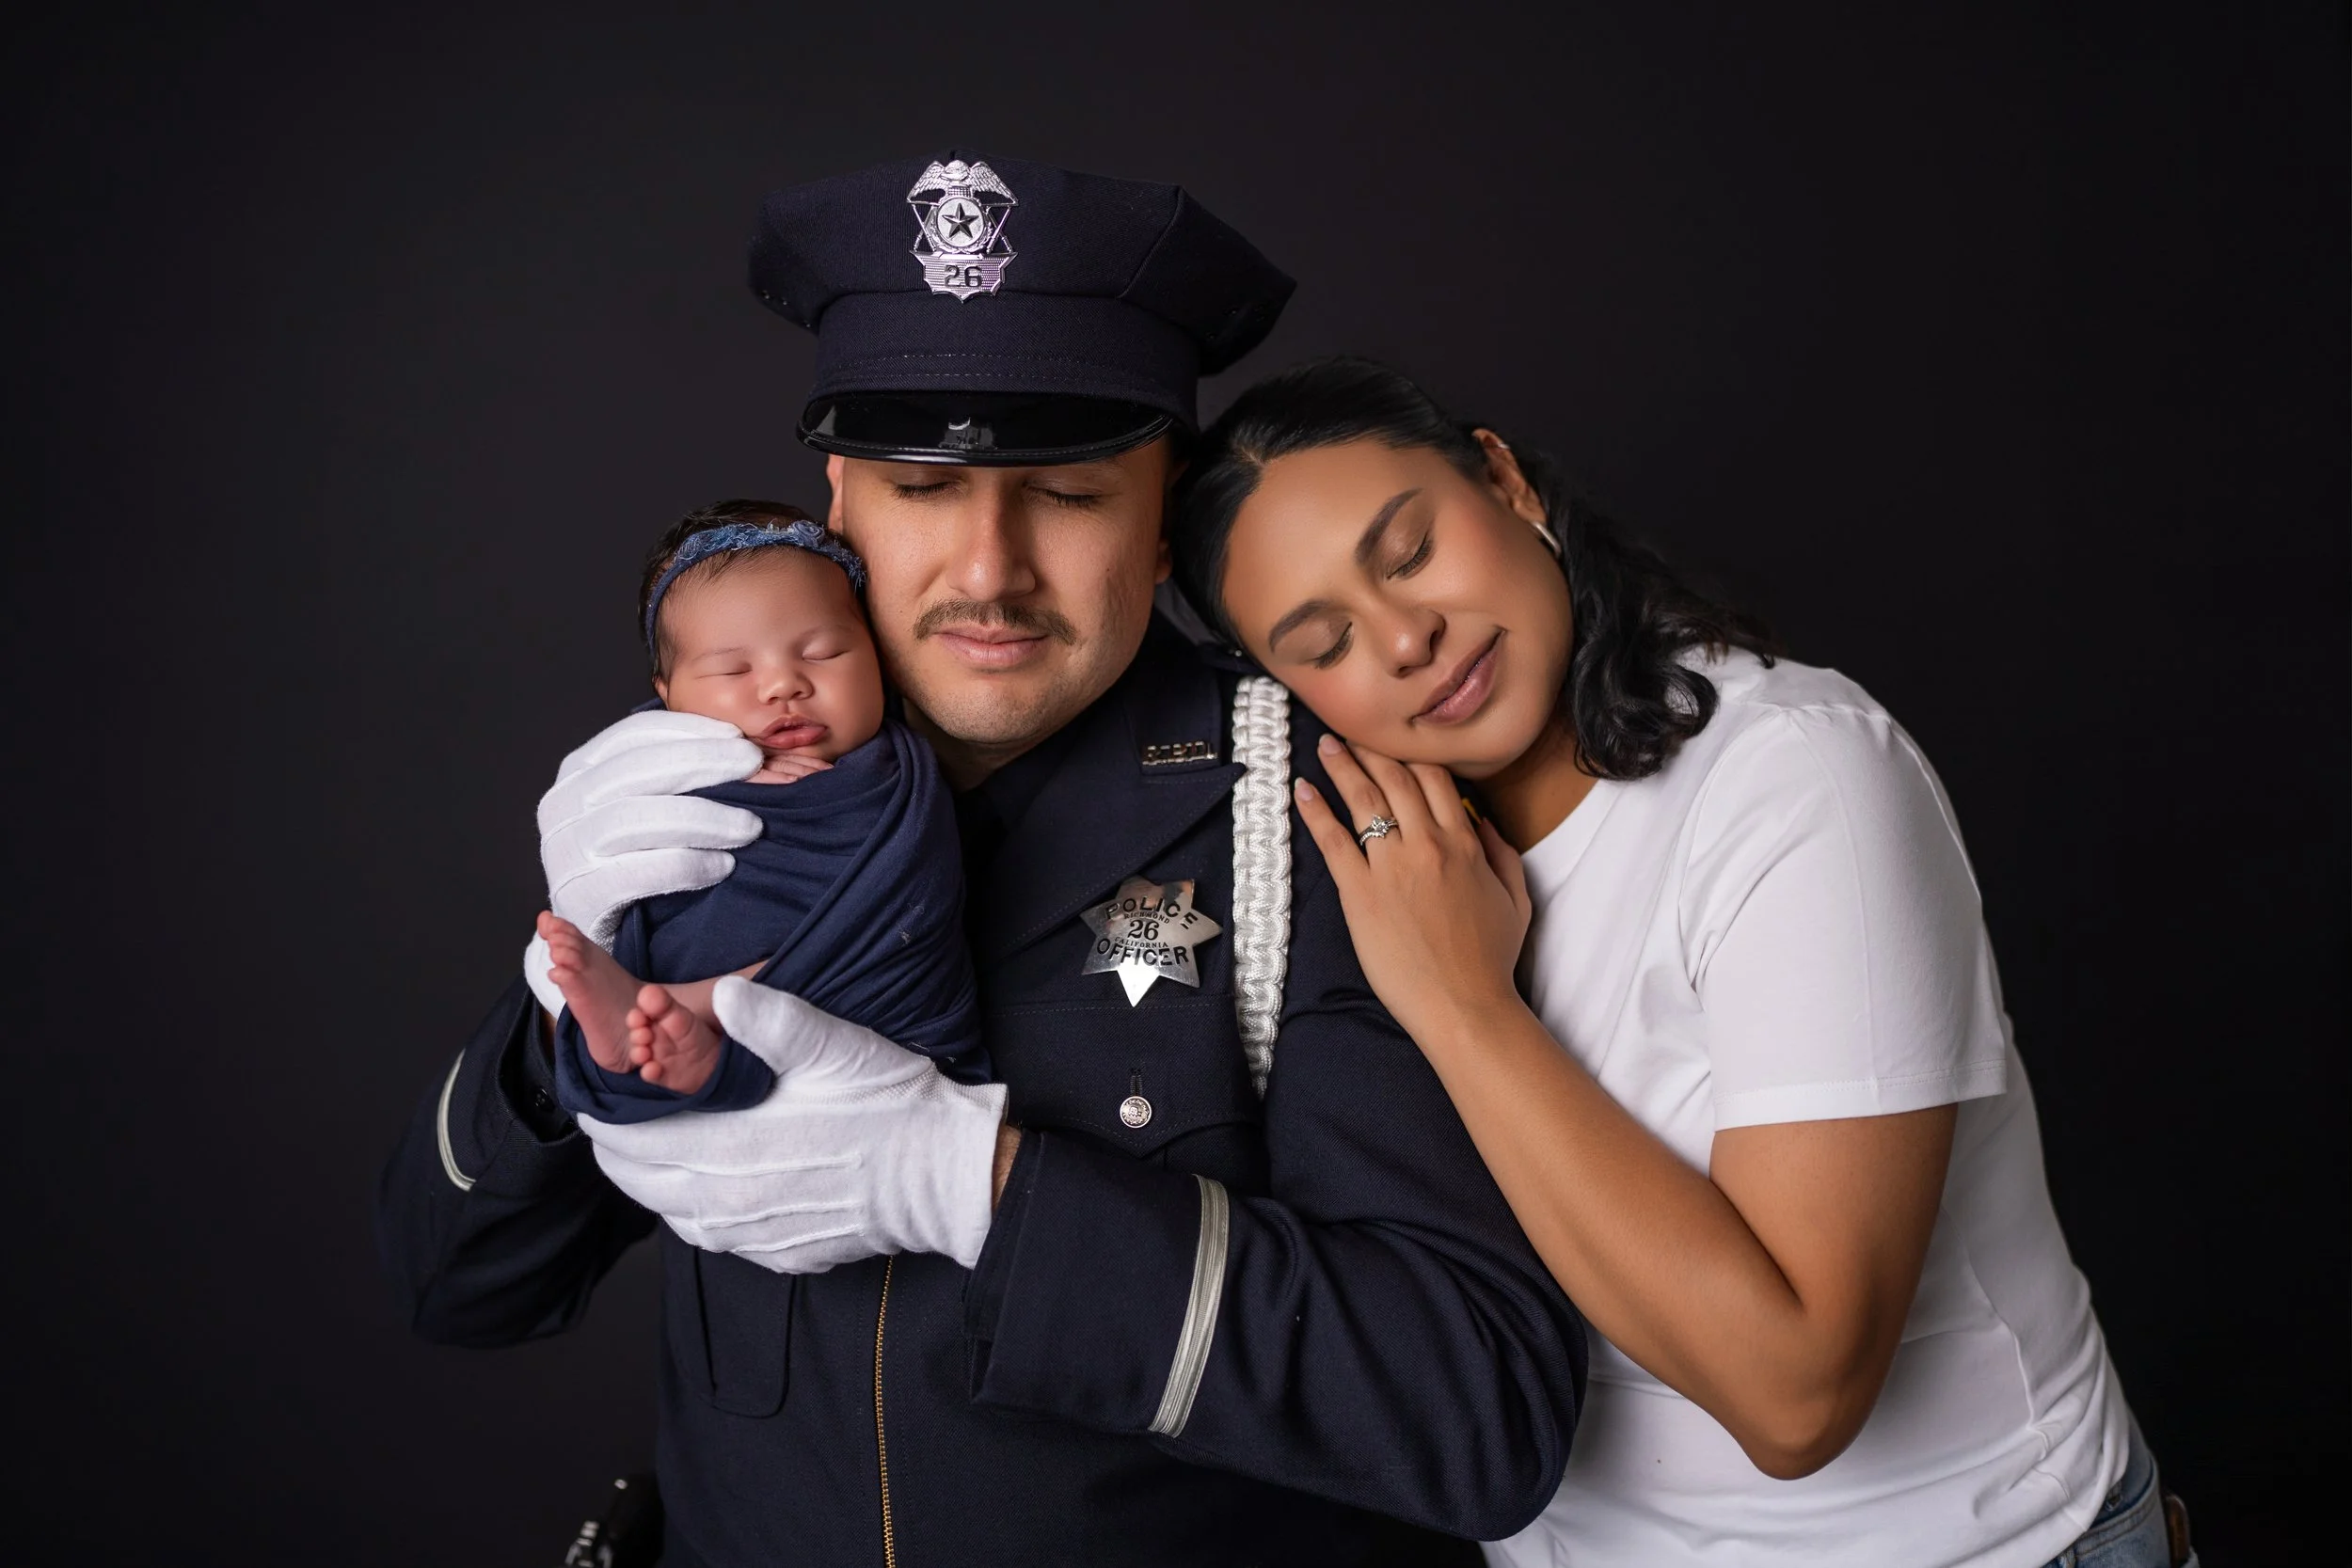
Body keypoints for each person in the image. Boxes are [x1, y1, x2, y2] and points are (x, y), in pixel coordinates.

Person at [376, 158, 1586, 1567]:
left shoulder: (1309, 808)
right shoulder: (701, 796)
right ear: (838, 499)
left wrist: (981, 1184)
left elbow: (1476, 1413)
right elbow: (454, 1283)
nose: (990, 568)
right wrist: (573, 996)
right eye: (922, 486)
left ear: (1163, 512)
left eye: (1068, 492)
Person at [1168, 356, 2196, 1568]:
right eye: (1325, 639)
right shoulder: (1370, 880)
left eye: (1410, 552)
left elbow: (1797, 1393)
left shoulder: (1797, 778)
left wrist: (1463, 1007)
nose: (1405, 638)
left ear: (1502, 480)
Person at [538, 499, 982, 1115]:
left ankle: (678, 1018)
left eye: (824, 652)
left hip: (889, 1038)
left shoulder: (901, 775)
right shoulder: (640, 776)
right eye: (733, 668)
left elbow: (914, 907)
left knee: (764, 1008)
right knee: (674, 1011)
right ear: (667, 696)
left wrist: (828, 789)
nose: (782, 684)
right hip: (712, 1009)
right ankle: (683, 1040)